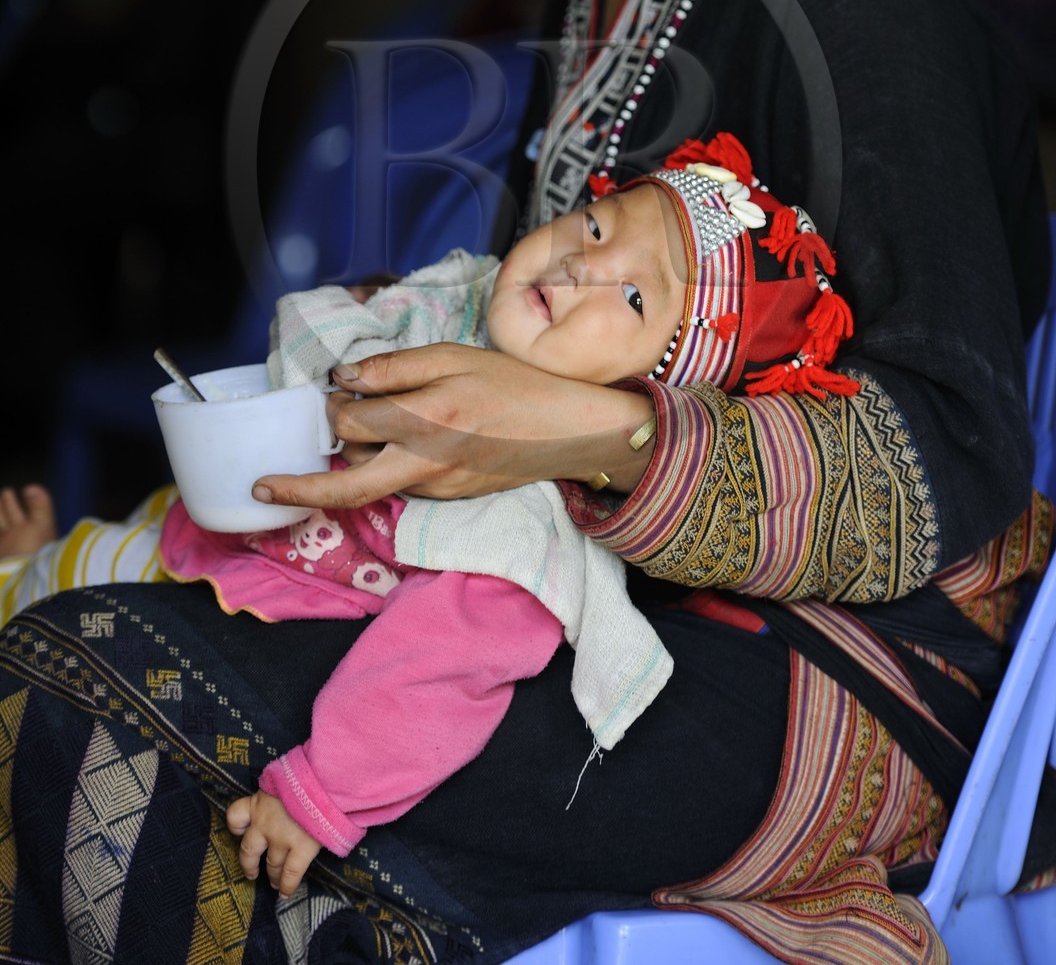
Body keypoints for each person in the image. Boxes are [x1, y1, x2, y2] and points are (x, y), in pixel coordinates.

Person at [1, 0, 1056, 965]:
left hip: (826, 685)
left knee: (93, 701)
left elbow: (949, 462)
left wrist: (594, 434)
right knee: (88, 647)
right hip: (571, 596)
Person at [0, 137, 854, 902]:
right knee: (132, 533)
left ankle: (29, 573)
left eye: (633, 298)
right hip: (234, 524)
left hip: (257, 585)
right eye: (596, 227)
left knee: (68, 598)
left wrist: (324, 795)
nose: (584, 267)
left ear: (652, 396)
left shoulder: (526, 530)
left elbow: (431, 678)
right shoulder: (456, 304)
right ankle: (53, 556)